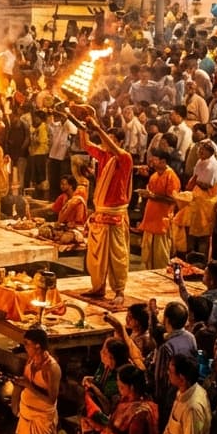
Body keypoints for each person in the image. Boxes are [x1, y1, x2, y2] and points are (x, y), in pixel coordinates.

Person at [75, 106, 134, 305]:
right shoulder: (103, 155)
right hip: (100, 213)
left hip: (115, 214)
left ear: (119, 142)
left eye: (111, 140)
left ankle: (119, 291)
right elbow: (85, 144)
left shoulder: (124, 158)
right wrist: (82, 124)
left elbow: (111, 147)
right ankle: (98, 287)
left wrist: (98, 128)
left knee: (117, 256)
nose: (105, 142)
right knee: (95, 256)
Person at [138, 149, 181, 270]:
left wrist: (152, 196)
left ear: (163, 161)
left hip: (162, 220)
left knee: (160, 257)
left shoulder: (171, 176)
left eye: (154, 158)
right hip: (150, 219)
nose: (151, 161)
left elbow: (173, 200)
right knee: (148, 256)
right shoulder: (154, 175)